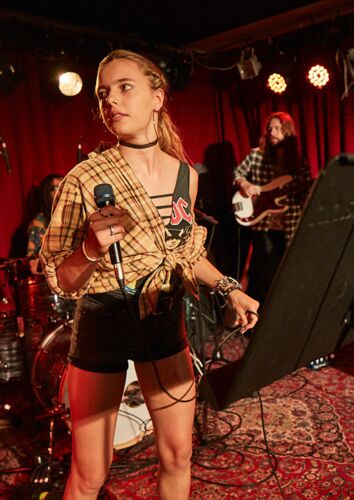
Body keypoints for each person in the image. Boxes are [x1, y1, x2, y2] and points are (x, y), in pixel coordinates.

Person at [40, 49, 259, 499]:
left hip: (164, 323)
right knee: (90, 474)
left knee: (178, 456)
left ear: (158, 97)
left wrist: (229, 287)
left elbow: (184, 252)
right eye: (103, 93)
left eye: (125, 87)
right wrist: (90, 248)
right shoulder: (84, 179)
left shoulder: (185, 176)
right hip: (104, 323)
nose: (110, 101)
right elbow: (61, 278)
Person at [233, 111, 311, 305]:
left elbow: (305, 194)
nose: (272, 132)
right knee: (264, 275)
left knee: (289, 274)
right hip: (264, 223)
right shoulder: (256, 155)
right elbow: (237, 173)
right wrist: (245, 184)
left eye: (277, 128)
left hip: (290, 224)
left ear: (288, 132)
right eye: (270, 128)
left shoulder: (299, 163)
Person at [26, 173, 63, 275]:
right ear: (47, 194)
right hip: (53, 279)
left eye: (65, 186)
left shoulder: (76, 217)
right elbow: (32, 262)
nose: (62, 190)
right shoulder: (40, 221)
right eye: (57, 187)